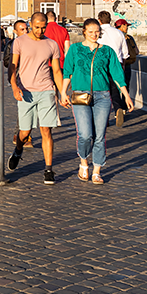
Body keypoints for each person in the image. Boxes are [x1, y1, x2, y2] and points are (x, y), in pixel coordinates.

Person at [62, 18, 134, 184]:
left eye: (97, 32)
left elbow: (116, 74)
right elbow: (67, 71)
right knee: (85, 134)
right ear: (84, 32)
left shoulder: (107, 51)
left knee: (100, 135)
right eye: (91, 31)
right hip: (80, 94)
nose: (94, 34)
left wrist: (126, 95)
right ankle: (83, 162)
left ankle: (97, 170)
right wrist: (63, 92)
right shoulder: (75, 49)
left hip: (102, 96)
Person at [8, 12, 68, 184]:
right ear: (30, 24)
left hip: (46, 90)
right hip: (25, 91)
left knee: (46, 130)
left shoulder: (52, 44)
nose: (40, 31)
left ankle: (49, 170)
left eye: (43, 28)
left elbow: (56, 71)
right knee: (25, 132)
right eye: (37, 27)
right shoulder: (19, 42)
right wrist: (14, 86)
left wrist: (62, 92)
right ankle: (18, 150)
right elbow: (13, 67)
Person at [97, 11, 129, 125]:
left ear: (99, 20)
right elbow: (125, 53)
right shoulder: (119, 33)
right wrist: (122, 65)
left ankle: (104, 118)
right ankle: (118, 108)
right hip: (117, 64)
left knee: (102, 91)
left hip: (102, 65)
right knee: (115, 90)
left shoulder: (98, 33)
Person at [5, 20, 33, 148]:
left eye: (26, 29)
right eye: (22, 29)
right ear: (15, 32)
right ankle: (21, 134)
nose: (25, 31)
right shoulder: (12, 44)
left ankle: (23, 133)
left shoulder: (34, 43)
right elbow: (7, 62)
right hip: (19, 79)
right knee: (24, 106)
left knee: (29, 107)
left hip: (33, 78)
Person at [115, 19, 139, 127]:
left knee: (115, 87)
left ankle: (118, 107)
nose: (127, 28)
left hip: (117, 64)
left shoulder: (114, 36)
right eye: (125, 26)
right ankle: (123, 107)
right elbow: (136, 51)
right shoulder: (128, 38)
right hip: (126, 64)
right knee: (125, 85)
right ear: (120, 26)